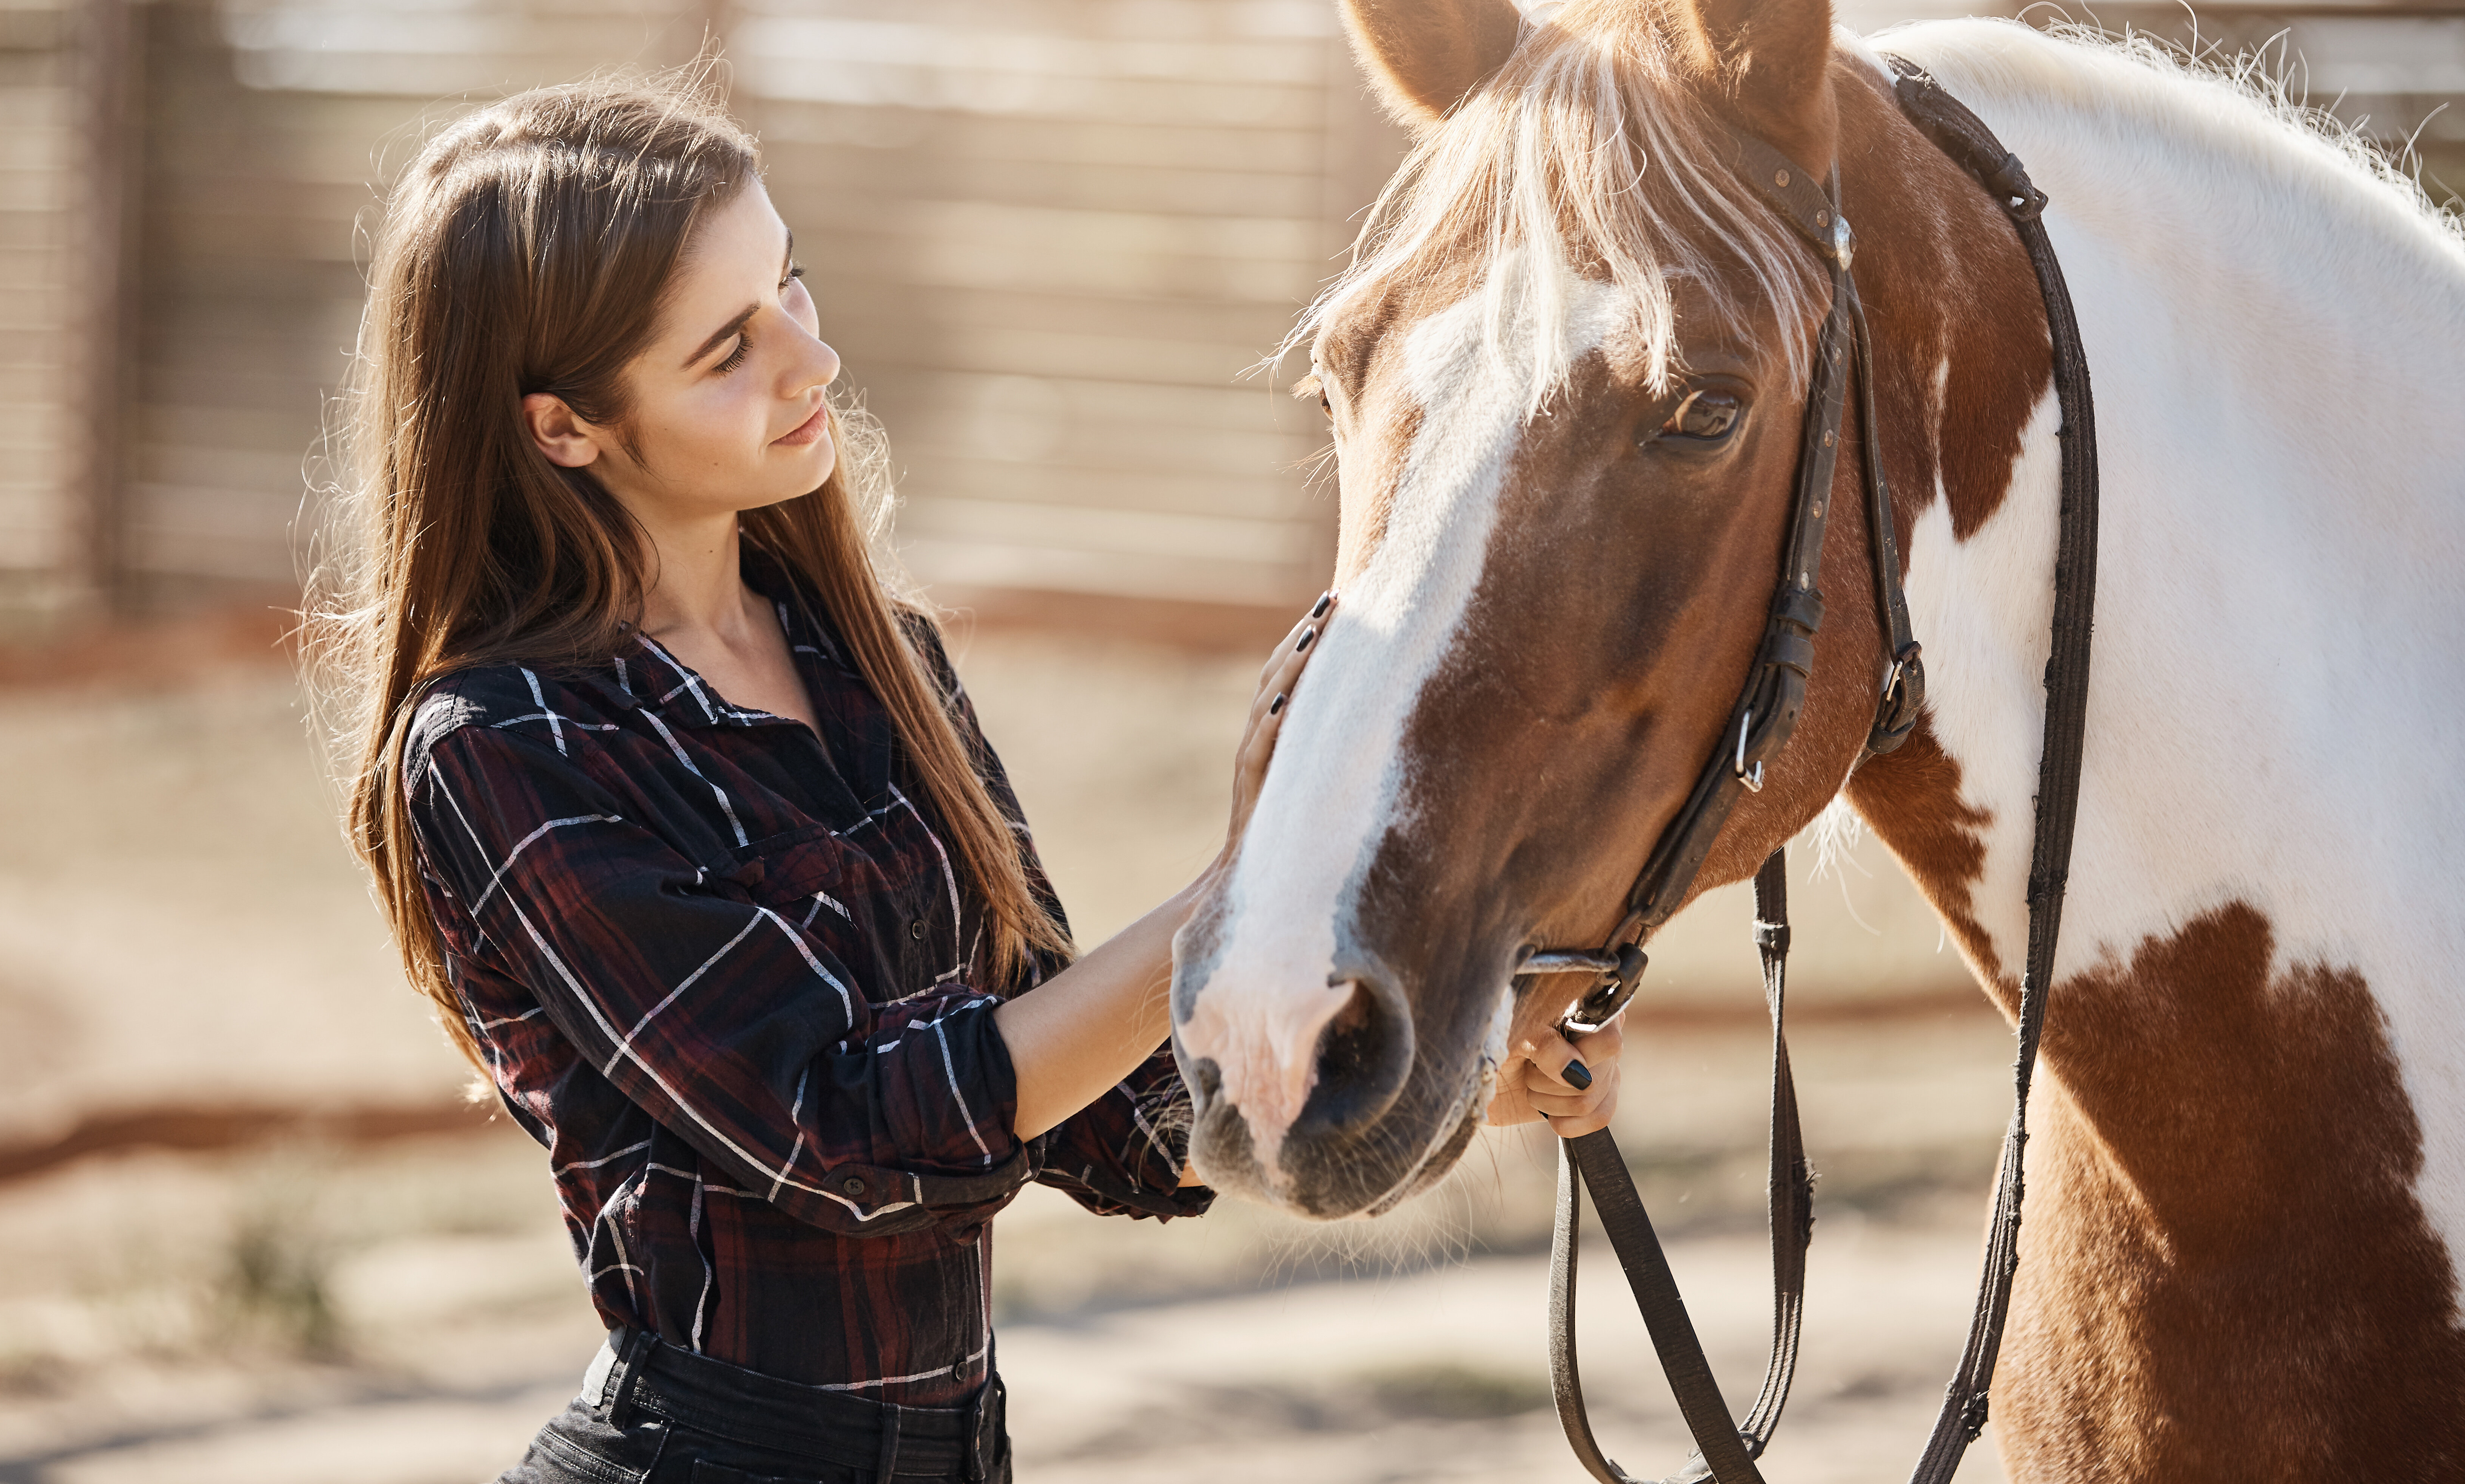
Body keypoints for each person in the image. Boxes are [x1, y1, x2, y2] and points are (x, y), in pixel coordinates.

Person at [304, 75, 1619, 1484]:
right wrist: (1236, 889)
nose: (810, 361)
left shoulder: (877, 661)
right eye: (727, 351)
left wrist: (1428, 1068)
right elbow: (850, 1134)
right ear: (566, 427)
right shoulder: (507, 747)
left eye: (791, 285)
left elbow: (1098, 1113)